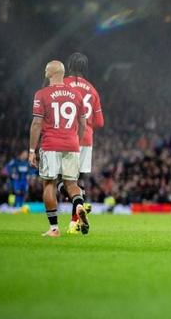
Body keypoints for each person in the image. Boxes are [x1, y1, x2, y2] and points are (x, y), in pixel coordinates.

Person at [29, 60, 89, 237]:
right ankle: (78, 205)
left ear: (53, 73)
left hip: (50, 145)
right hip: (72, 144)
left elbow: (37, 123)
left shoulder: (42, 94)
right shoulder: (76, 94)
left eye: (46, 69)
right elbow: (83, 124)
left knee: (49, 183)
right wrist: (76, 141)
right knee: (71, 183)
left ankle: (54, 228)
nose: (44, 71)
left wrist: (32, 150)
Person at [61, 52, 104, 234]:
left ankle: (78, 204)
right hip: (86, 138)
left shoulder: (63, 85)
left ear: (69, 66)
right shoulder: (92, 90)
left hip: (67, 137)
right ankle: (74, 223)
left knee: (61, 180)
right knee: (80, 180)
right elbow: (100, 122)